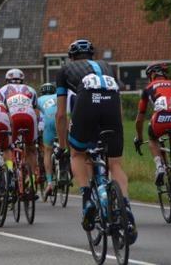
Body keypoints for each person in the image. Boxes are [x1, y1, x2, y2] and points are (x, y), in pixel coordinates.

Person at [55, 39, 137, 243]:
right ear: (92, 55)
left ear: (71, 56)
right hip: (112, 107)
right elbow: (118, 105)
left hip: (87, 102)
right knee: (115, 163)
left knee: (77, 153)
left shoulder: (65, 69)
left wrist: (63, 147)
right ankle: (125, 209)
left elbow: (60, 115)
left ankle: (87, 199)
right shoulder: (107, 66)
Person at [134, 62, 171, 214]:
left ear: (151, 75)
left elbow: (140, 118)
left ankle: (159, 165)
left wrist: (139, 138)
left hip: (159, 120)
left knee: (153, 139)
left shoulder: (148, 88)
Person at [0, 69, 39, 192]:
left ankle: (11, 172)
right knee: (31, 148)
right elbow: (36, 111)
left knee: (8, 147)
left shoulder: (2, 90)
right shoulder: (31, 90)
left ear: (7, 80)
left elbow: (2, 110)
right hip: (29, 117)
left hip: (13, 117)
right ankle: (31, 178)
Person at [36, 83, 58, 201]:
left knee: (47, 151)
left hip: (48, 122)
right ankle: (66, 168)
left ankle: (49, 182)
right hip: (62, 118)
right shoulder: (58, 96)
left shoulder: (39, 100)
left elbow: (37, 117)